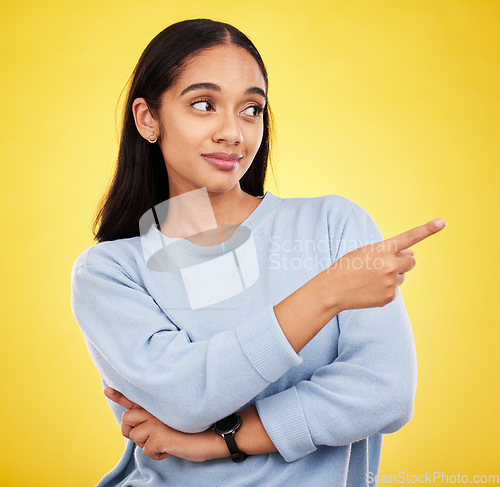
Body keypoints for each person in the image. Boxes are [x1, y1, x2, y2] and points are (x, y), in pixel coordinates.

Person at [70, 18, 446, 487]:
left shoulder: (333, 225)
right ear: (148, 118)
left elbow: (385, 392)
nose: (234, 132)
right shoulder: (110, 271)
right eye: (204, 105)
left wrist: (218, 440)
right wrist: (326, 292)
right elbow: (189, 397)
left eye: (251, 109)